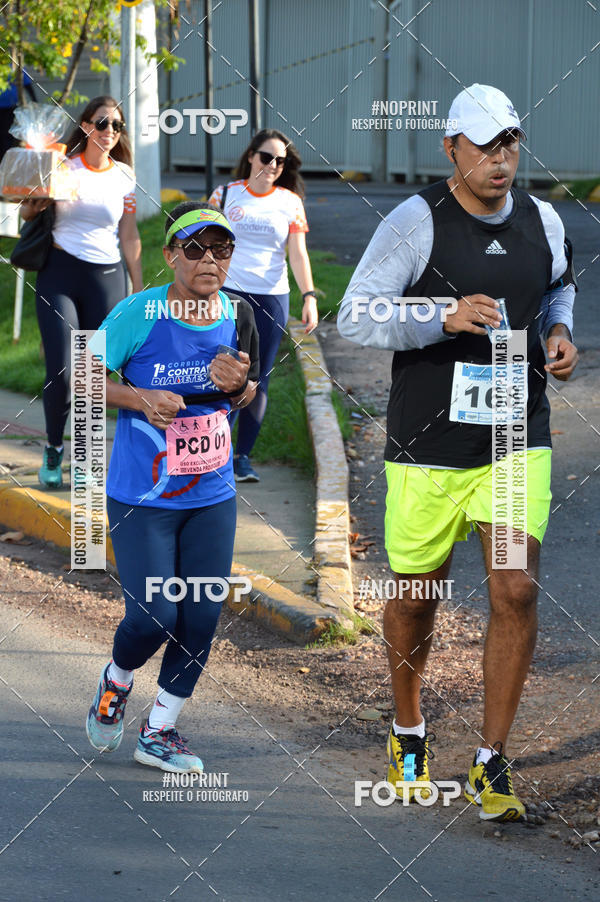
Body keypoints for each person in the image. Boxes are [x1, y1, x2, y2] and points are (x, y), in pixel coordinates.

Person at [338, 84, 578, 821]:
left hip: (514, 439)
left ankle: (490, 762)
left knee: (516, 590)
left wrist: (560, 336)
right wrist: (439, 316)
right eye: (483, 146)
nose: (500, 159)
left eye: (510, 143)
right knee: (415, 600)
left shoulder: (544, 219)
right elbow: (356, 313)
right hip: (427, 445)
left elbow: (559, 289)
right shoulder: (416, 222)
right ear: (451, 149)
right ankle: (408, 731)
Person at [85, 202, 259, 773]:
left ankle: (159, 730)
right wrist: (140, 398)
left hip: (211, 493)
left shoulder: (240, 314)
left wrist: (242, 392)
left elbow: (246, 392)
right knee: (155, 614)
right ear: (170, 256)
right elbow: (78, 377)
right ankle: (117, 681)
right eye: (195, 248)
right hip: (143, 495)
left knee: (202, 613)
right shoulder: (140, 312)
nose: (210, 259)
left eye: (222, 249)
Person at [19, 95, 142, 489]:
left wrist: (137, 285)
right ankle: (54, 446)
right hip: (59, 274)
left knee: (94, 375)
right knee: (61, 370)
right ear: (86, 126)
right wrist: (36, 198)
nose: (109, 132)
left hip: (106, 278)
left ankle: (86, 460)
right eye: (102, 123)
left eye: (116, 126)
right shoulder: (62, 166)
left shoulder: (124, 175)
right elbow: (26, 211)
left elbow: (129, 232)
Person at [209, 128, 318, 482]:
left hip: (272, 297)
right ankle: (213, 453)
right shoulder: (225, 195)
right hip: (228, 296)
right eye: (267, 157)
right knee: (223, 373)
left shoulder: (290, 201)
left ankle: (242, 458)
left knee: (258, 377)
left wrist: (309, 296)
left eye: (280, 161)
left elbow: (298, 254)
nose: (273, 165)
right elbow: (205, 244)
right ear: (251, 156)